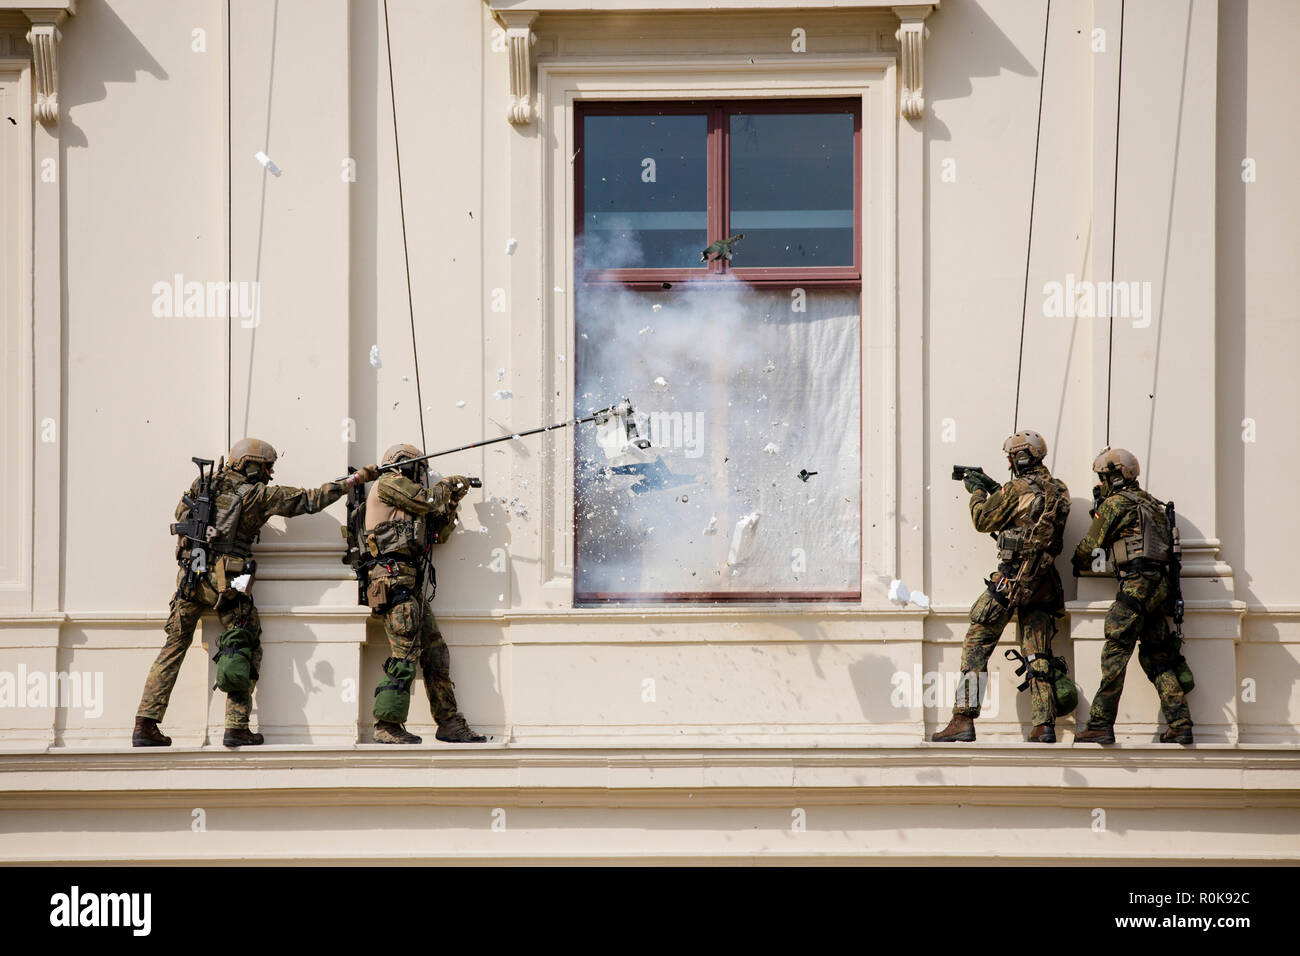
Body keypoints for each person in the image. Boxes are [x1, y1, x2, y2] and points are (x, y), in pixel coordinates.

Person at [133, 439, 376, 747]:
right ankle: (236, 726)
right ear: (250, 465)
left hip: (189, 581)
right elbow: (309, 500)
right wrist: (357, 479)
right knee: (243, 640)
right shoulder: (258, 495)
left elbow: (181, 516)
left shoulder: (203, 485)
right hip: (229, 584)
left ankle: (145, 723)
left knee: (172, 649)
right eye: (266, 467)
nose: (269, 473)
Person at [933, 430, 1071, 743]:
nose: (1009, 462)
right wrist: (998, 488)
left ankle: (963, 718)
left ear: (1021, 457)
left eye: (1012, 457)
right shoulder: (1060, 489)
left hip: (1013, 579)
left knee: (977, 639)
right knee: (1038, 653)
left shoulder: (1016, 488)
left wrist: (977, 492)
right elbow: (1028, 509)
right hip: (1044, 582)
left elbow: (983, 520)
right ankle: (1043, 723)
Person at [363, 443, 485, 744]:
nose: (419, 476)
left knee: (435, 653)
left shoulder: (412, 506)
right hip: (393, 583)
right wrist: (446, 486)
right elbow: (429, 499)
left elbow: (438, 535)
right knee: (404, 653)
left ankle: (448, 722)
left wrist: (452, 502)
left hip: (410, 585)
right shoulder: (388, 483)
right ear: (402, 465)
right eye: (416, 469)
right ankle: (386, 724)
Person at [1072, 448, 1193, 744]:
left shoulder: (1116, 504)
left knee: (1115, 653)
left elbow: (1090, 547)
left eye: (1103, 477)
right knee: (1157, 657)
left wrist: (1078, 560)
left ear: (1115, 475)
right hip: (1159, 588)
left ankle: (1100, 722)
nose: (1101, 484)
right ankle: (1180, 722)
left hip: (1135, 585)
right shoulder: (1152, 504)